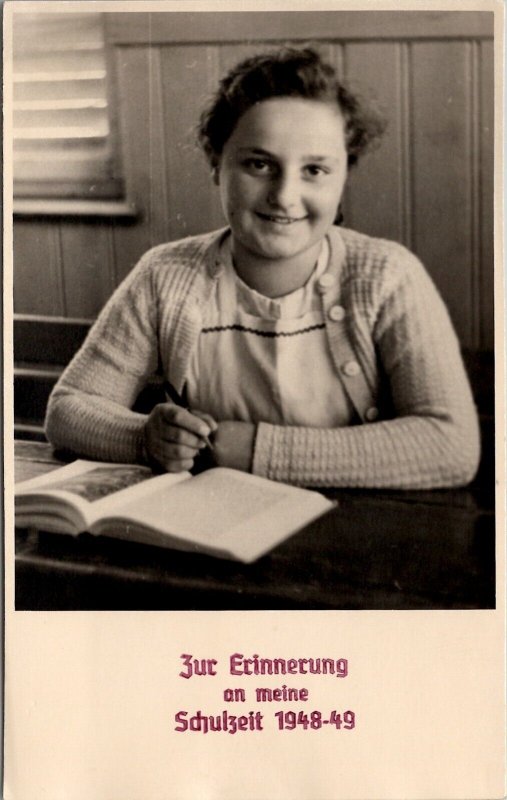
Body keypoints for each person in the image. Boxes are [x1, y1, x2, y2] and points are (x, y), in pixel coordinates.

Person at [45, 47, 480, 489]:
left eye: (314, 170)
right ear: (217, 164)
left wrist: (256, 449)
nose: (285, 195)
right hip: (212, 525)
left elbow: (452, 445)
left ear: (344, 175)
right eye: (259, 164)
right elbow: (69, 407)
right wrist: (143, 438)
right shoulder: (166, 275)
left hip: (357, 529)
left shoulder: (388, 276)